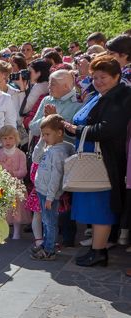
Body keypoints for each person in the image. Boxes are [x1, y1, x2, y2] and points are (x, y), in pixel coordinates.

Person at [64, 56, 131, 267]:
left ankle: (100, 251)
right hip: (91, 158)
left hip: (104, 160)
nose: (98, 81)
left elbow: (109, 129)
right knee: (93, 206)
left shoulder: (121, 97)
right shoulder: (100, 95)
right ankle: (96, 248)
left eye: (103, 77)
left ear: (117, 76)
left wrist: (76, 130)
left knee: (101, 205)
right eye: (94, 77)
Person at [30, 114, 75, 261]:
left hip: (49, 194)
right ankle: (46, 245)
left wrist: (50, 197)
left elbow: (56, 177)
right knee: (46, 220)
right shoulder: (50, 147)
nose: (44, 137)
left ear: (60, 133)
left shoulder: (58, 152)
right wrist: (41, 142)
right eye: (43, 134)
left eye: (47, 134)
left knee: (50, 223)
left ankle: (49, 250)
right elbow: (35, 159)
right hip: (42, 190)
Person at [0, 125, 30, 240]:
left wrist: (14, 173)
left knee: (17, 209)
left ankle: (17, 231)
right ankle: (4, 230)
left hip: (16, 185)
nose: (8, 141)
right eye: (5, 138)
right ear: (0, 139)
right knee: (4, 209)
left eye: (10, 138)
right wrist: (4, 174)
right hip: (3, 185)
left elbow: (23, 171)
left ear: (16, 139)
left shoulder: (20, 154)